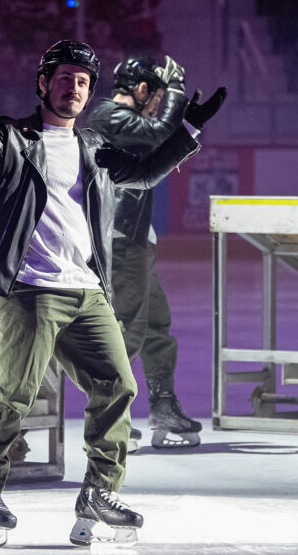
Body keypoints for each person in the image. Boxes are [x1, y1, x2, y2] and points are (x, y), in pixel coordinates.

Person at [0, 40, 218, 547]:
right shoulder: (16, 137)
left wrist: (189, 129)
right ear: (44, 83)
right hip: (31, 289)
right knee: (17, 393)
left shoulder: (91, 145)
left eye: (84, 82)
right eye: (66, 78)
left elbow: (144, 172)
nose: (75, 88)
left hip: (87, 290)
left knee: (119, 387)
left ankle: (98, 492)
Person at [87, 55, 226, 450]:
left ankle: (163, 405)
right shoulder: (106, 115)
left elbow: (165, 140)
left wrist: (184, 120)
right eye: (158, 96)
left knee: (155, 326)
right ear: (142, 89)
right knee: (128, 329)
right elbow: (160, 133)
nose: (157, 104)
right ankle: (110, 418)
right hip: (118, 240)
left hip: (135, 239)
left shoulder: (127, 123)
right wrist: (179, 95)